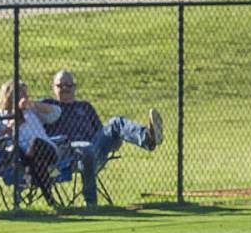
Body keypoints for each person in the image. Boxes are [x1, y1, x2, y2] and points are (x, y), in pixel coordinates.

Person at [41, 69, 162, 208]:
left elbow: (102, 133)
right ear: (52, 87)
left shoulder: (85, 107)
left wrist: (113, 141)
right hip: (68, 156)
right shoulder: (47, 106)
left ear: (74, 87)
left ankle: (148, 138)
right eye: (60, 85)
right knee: (86, 149)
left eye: (69, 85)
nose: (65, 89)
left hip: (95, 149)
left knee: (115, 123)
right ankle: (91, 204)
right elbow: (28, 111)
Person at [0, 79, 63, 207]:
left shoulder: (31, 110)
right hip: (22, 156)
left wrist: (33, 104)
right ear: (10, 96)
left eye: (26, 94)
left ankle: (28, 176)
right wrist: (9, 127)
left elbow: (56, 113)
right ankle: (50, 200)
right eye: (22, 94)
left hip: (47, 149)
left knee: (35, 142)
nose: (25, 97)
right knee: (36, 163)